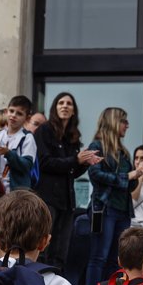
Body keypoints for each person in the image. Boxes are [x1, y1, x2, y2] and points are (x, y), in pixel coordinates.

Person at [35, 92, 100, 272]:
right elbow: (44, 162)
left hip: (67, 201)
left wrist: (85, 163)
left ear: (73, 111)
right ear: (55, 108)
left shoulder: (72, 136)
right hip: (48, 198)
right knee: (44, 246)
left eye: (69, 104)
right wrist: (76, 160)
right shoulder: (44, 130)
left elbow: (71, 171)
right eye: (61, 103)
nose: (65, 106)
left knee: (61, 251)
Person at [85, 107, 143, 285]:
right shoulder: (97, 146)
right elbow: (95, 175)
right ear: (113, 122)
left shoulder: (123, 151)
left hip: (122, 210)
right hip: (104, 208)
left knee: (115, 258)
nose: (127, 125)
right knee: (99, 257)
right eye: (123, 121)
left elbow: (129, 185)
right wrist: (127, 176)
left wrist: (136, 176)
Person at [0, 95, 37, 192]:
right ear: (6, 112)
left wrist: (8, 153)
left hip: (17, 192)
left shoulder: (27, 138)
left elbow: (26, 166)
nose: (13, 115)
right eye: (11, 111)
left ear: (27, 118)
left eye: (19, 113)